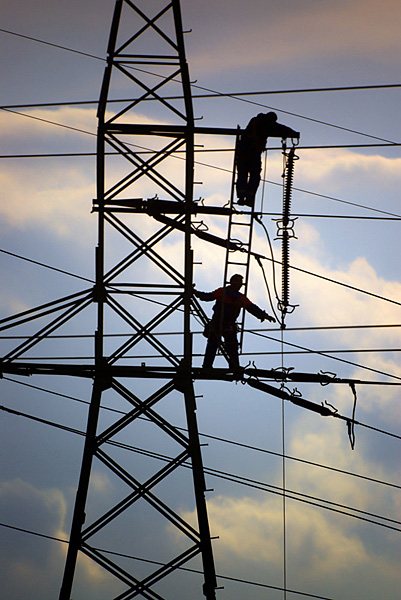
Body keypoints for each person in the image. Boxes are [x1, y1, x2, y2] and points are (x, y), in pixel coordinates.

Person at [194, 274, 275, 375]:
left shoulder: (240, 298)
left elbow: (252, 308)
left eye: (240, 283)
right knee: (213, 344)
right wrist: (196, 293)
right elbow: (208, 296)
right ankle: (207, 366)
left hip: (229, 325)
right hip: (217, 323)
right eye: (238, 282)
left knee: (232, 346)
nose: (239, 285)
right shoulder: (222, 292)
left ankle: (234, 367)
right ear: (232, 282)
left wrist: (264, 316)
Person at [236, 112, 299, 207]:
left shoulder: (256, 120)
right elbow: (280, 128)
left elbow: (279, 128)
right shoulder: (265, 123)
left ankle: (242, 197)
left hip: (243, 153)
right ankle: (248, 197)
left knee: (243, 174)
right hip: (252, 153)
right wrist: (293, 133)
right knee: (254, 175)